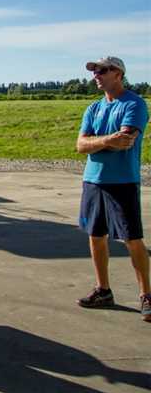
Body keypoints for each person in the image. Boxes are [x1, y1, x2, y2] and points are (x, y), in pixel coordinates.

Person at [74, 56, 149, 322]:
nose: (97, 75)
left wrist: (95, 142)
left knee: (132, 238)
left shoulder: (135, 104)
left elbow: (126, 141)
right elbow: (80, 146)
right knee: (95, 236)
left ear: (118, 73)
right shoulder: (93, 108)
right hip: (93, 180)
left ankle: (146, 295)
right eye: (95, 71)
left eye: (102, 70)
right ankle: (103, 290)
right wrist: (107, 140)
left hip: (122, 181)